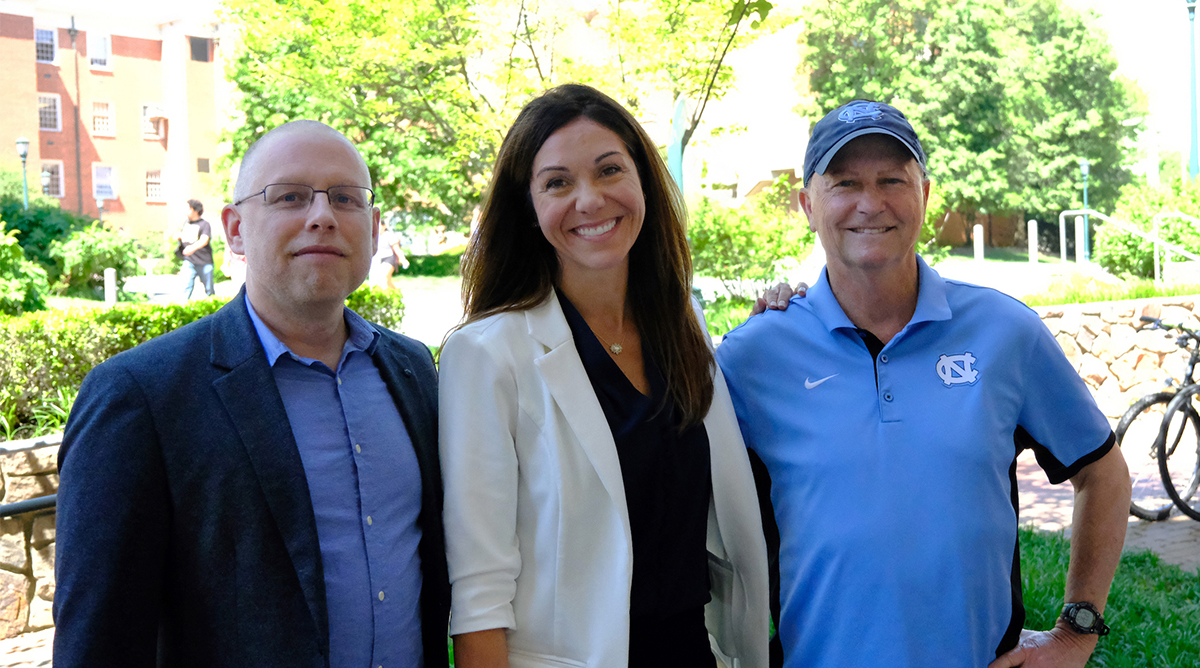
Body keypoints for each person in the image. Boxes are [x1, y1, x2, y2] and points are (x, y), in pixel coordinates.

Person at [716, 100, 1132, 668]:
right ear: (806, 205)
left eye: (893, 179)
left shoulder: (1005, 332)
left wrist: (1075, 633)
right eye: (844, 183)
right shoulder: (751, 358)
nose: (871, 203)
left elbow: (1103, 473)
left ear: (926, 196)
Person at [53, 120, 450, 668]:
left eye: (345, 198)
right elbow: (101, 641)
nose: (322, 216)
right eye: (289, 196)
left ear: (375, 229)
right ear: (235, 230)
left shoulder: (412, 369)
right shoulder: (141, 396)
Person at [439, 83, 769, 668]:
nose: (589, 200)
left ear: (642, 181)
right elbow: (480, 594)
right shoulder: (488, 354)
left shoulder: (683, 329)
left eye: (609, 170)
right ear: (529, 207)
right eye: (557, 182)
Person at [178, 198, 215, 298]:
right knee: (185, 287)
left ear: (195, 210)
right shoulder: (186, 223)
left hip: (204, 262)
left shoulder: (204, 224)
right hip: (189, 261)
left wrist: (191, 248)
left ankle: (213, 307)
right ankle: (182, 309)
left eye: (188, 209)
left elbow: (204, 240)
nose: (186, 211)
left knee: (209, 290)